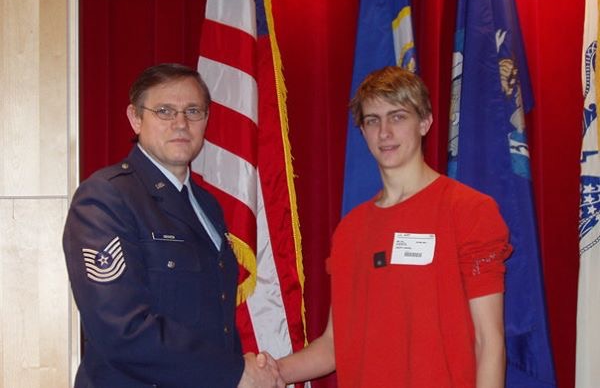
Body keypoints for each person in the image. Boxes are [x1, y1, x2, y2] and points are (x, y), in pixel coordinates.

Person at [278, 66, 512, 387]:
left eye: (398, 117)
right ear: (362, 130)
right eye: (372, 120)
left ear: (425, 122)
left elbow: (489, 342)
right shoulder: (350, 231)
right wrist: (264, 374)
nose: (384, 132)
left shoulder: (469, 210)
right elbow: (333, 346)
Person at [63, 63, 283, 388]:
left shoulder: (208, 206)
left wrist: (238, 372)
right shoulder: (106, 197)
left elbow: (216, 323)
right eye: (164, 111)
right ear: (136, 118)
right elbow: (120, 329)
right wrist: (233, 372)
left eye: (193, 111)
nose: (180, 123)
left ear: (206, 119)